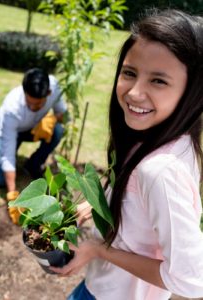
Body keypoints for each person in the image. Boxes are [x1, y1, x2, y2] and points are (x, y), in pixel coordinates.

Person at [51, 9, 203, 300]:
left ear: (192, 92)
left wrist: (98, 249)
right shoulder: (162, 138)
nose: (134, 92)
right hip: (101, 287)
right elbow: (137, 198)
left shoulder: (159, 171)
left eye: (158, 80)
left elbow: (191, 279)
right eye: (130, 73)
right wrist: (96, 206)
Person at [0, 68, 67, 224]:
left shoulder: (53, 86)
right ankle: (12, 179)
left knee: (58, 131)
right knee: (0, 180)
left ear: (48, 93)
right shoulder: (11, 108)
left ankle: (33, 164)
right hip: (9, 131)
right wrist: (13, 194)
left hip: (33, 128)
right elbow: (8, 154)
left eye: (38, 104)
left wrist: (52, 119)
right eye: (29, 103)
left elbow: (63, 113)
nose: (33, 108)